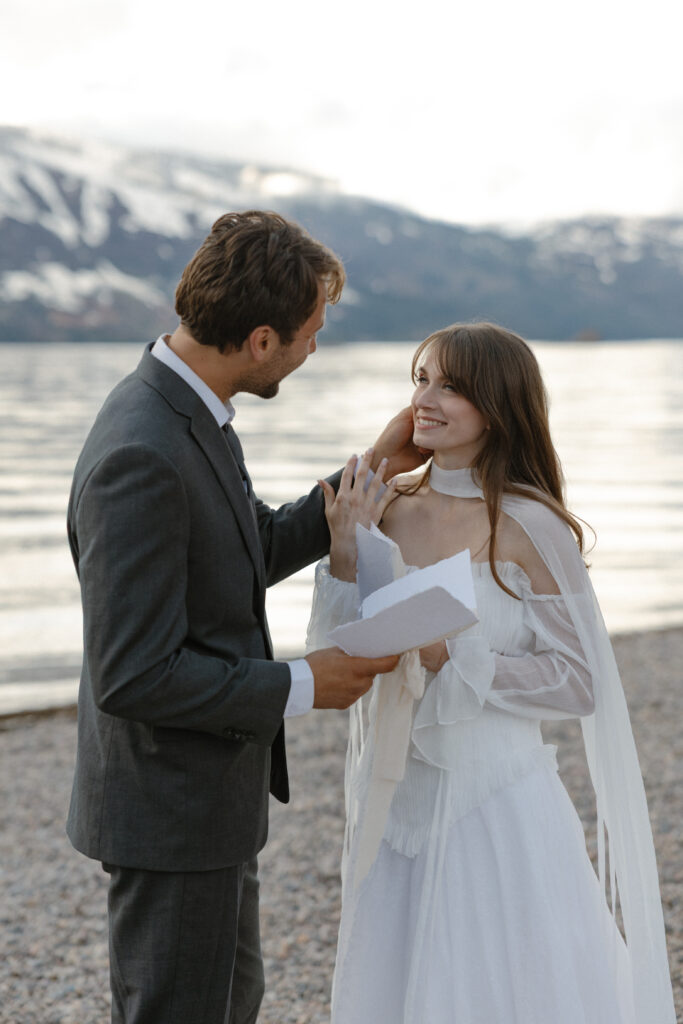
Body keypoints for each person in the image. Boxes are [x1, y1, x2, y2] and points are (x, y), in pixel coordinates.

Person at [65, 210, 421, 1024]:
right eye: (308, 334)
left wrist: (371, 468)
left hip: (208, 802)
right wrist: (304, 682)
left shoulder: (192, 410)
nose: (312, 351)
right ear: (262, 340)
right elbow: (132, 674)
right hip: (167, 811)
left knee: (232, 1003)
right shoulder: (141, 452)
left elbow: (246, 546)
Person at [307, 322, 676, 1024]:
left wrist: (460, 657)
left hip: (495, 803)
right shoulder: (388, 507)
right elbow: (337, 655)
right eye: (420, 379)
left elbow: (577, 680)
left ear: (498, 404)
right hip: (397, 800)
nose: (426, 398)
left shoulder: (530, 524)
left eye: (451, 385)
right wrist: (346, 551)